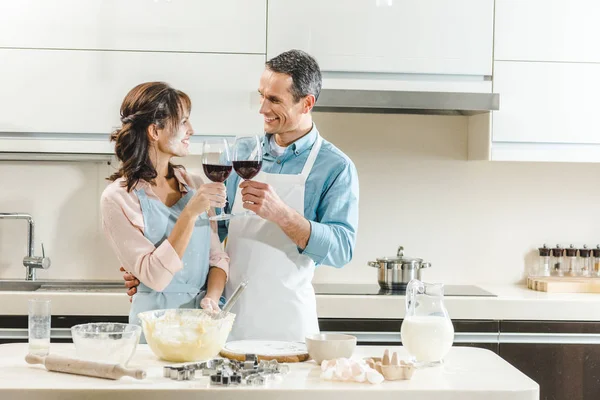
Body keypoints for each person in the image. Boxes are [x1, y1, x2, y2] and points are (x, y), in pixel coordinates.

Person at [124, 50, 360, 342]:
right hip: (225, 320)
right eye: (261, 95)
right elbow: (206, 239)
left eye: (274, 100)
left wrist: (282, 215)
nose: (262, 108)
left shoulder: (335, 167)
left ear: (307, 103)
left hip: (289, 325)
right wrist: (149, 270)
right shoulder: (238, 156)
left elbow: (341, 250)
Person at [101, 82, 230, 339]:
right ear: (154, 131)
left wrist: (212, 300)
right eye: (183, 122)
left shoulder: (194, 184)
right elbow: (156, 277)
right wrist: (190, 213)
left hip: (202, 329)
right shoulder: (118, 198)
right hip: (153, 332)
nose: (191, 130)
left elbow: (218, 259)